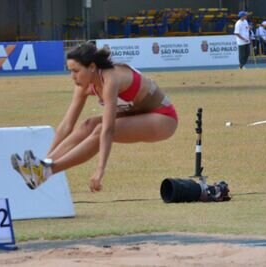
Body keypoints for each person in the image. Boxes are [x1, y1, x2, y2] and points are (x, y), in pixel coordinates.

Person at [11, 42, 178, 192]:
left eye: (76, 71)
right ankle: (42, 168)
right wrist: (45, 158)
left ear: (91, 67)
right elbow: (67, 125)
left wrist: (100, 170)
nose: (72, 77)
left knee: (98, 129)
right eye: (70, 71)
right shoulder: (83, 84)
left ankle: (47, 172)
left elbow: (108, 130)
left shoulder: (111, 79)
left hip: (163, 118)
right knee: (88, 124)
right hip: (137, 113)